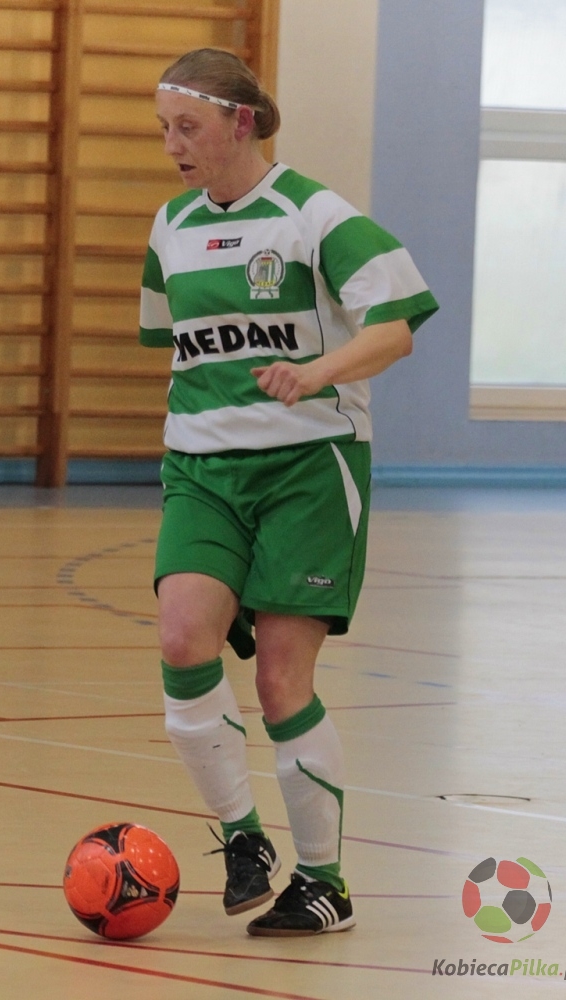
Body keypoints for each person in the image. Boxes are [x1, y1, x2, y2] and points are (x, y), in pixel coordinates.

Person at [139, 48, 438, 938]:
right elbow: (177, 343)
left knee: (278, 679)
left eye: (187, 127)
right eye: (164, 129)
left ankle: (323, 882)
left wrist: (315, 372)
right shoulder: (171, 226)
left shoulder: (315, 215)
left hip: (309, 466)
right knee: (182, 639)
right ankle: (243, 838)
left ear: (242, 122)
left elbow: (395, 329)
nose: (172, 146)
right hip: (201, 467)